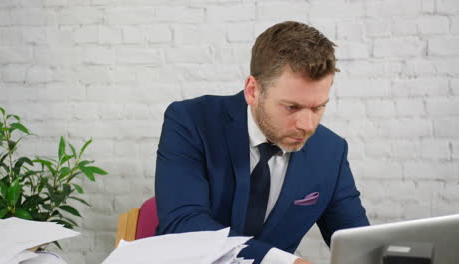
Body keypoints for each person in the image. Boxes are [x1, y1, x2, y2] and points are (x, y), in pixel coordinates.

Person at [154, 21, 369, 264]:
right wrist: (287, 262)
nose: (307, 125)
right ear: (253, 90)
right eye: (292, 107)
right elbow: (184, 223)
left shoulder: (330, 152)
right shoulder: (190, 121)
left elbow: (357, 246)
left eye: (318, 108)